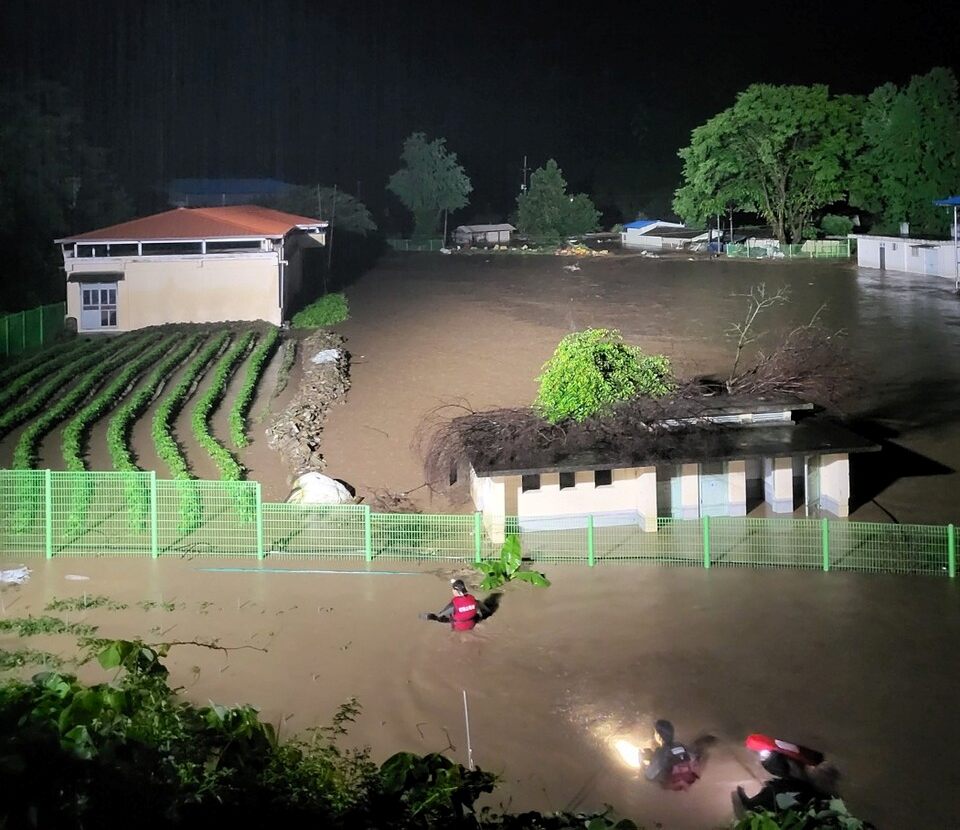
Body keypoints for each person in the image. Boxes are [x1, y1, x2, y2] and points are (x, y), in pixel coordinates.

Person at [643, 720, 700, 791]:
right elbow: (693, 756)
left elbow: (649, 776)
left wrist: (645, 763)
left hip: (671, 786)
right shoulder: (680, 745)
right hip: (687, 782)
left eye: (655, 733)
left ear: (659, 736)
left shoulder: (661, 752)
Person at [421, 579, 489, 631]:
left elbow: (441, 614)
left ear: (455, 591)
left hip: (458, 627)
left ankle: (428, 616)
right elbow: (483, 608)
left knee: (438, 617)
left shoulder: (453, 605)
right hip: (471, 625)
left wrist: (436, 616)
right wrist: (487, 612)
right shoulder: (474, 601)